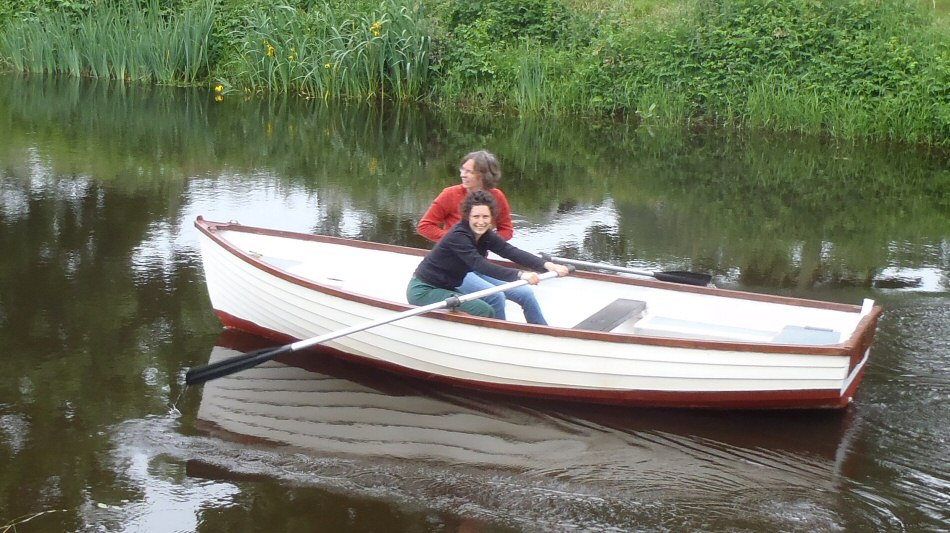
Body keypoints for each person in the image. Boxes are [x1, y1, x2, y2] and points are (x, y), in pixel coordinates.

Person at [418, 150, 546, 323]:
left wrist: (487, 241)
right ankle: (501, 336)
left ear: (483, 175)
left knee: (526, 294)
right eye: (462, 169)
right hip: (459, 266)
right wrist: (458, 241)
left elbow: (506, 230)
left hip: (481, 265)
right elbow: (425, 226)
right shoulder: (450, 194)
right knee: (497, 297)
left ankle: (544, 334)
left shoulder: (497, 196)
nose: (463, 174)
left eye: (469, 171)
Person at [407, 191, 570, 321]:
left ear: (492, 217)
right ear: (467, 216)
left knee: (498, 300)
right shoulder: (458, 236)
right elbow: (480, 265)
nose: (481, 222)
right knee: (483, 309)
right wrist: (520, 275)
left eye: (485, 217)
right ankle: (496, 340)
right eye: (476, 217)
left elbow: (511, 251)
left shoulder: (485, 234)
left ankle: (534, 334)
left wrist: (548, 265)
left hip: (446, 287)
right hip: (424, 290)